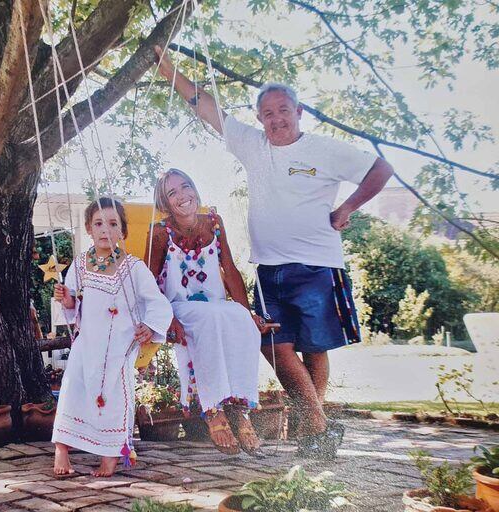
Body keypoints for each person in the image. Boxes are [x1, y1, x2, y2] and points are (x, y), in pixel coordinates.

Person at [154, 46, 394, 458]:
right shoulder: (252, 145)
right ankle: (318, 427)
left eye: (283, 110)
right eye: (267, 113)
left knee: (314, 348)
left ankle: (313, 436)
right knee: (273, 344)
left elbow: (381, 169)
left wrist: (348, 207)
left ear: (299, 111)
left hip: (319, 265)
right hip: (269, 267)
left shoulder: (325, 149)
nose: (276, 119)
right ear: (260, 118)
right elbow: (209, 111)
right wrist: (171, 72)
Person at [146, 168, 273, 457]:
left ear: (195, 189)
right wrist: (168, 319)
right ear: (165, 203)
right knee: (210, 318)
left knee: (239, 319)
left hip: (214, 305)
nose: (182, 196)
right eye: (172, 192)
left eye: (186, 186)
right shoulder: (159, 232)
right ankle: (213, 408)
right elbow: (148, 283)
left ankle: (240, 408)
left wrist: (248, 312)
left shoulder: (215, 222)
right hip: (178, 306)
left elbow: (228, 268)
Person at [52, 197, 173, 477]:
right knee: (74, 388)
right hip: (87, 342)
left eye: (112, 223)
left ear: (122, 232)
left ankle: (110, 453)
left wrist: (150, 326)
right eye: (98, 223)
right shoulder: (81, 264)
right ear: (89, 229)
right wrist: (67, 299)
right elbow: (72, 305)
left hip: (119, 345)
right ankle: (62, 447)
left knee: (114, 395)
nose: (105, 229)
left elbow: (157, 302)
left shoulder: (133, 268)